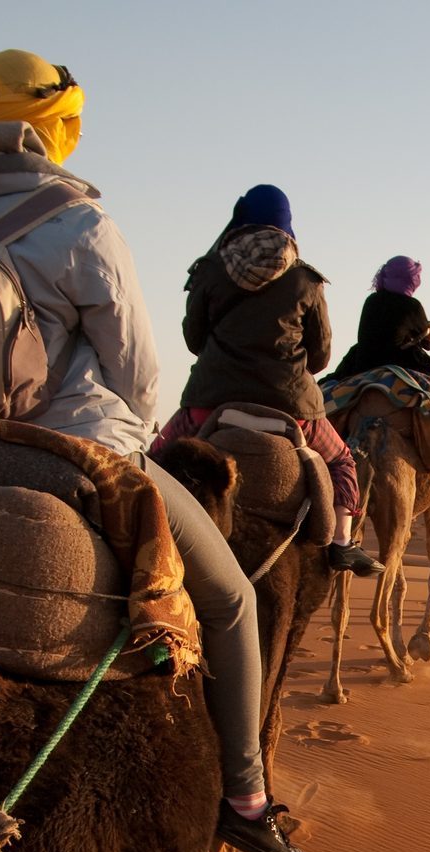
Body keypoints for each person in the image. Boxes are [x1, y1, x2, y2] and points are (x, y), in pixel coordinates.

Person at [0, 50, 304, 852]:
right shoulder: (80, 224)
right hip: (87, 451)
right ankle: (245, 797)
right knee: (235, 601)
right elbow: (137, 369)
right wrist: (127, 449)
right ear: (56, 126)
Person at [149, 184, 383, 578]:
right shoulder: (306, 280)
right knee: (342, 460)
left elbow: (193, 341)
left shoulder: (210, 270)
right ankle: (343, 541)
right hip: (292, 407)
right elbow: (322, 356)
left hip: (210, 400)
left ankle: (140, 533)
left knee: (154, 459)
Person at [329, 255, 430, 380]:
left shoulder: (371, 300)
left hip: (363, 363)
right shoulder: (413, 306)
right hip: (400, 365)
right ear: (411, 279)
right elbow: (427, 345)